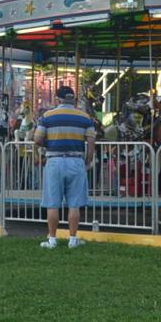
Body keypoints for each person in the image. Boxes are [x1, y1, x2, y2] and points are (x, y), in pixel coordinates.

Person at [35, 85, 98, 249]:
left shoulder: (47, 116)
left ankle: (52, 240)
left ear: (58, 99)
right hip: (76, 161)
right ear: (73, 98)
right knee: (74, 203)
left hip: (54, 161)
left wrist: (47, 144)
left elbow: (37, 139)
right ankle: (72, 239)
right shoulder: (85, 117)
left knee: (52, 203)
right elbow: (91, 142)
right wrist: (88, 161)